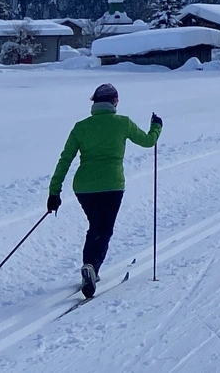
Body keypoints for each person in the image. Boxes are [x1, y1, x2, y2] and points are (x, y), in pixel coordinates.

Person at [47, 83, 162, 297]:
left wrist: (54, 192)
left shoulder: (80, 127)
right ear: (114, 101)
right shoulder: (122, 123)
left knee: (96, 226)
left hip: (83, 187)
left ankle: (90, 267)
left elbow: (65, 160)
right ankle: (91, 266)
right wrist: (156, 126)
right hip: (111, 185)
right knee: (104, 229)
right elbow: (148, 141)